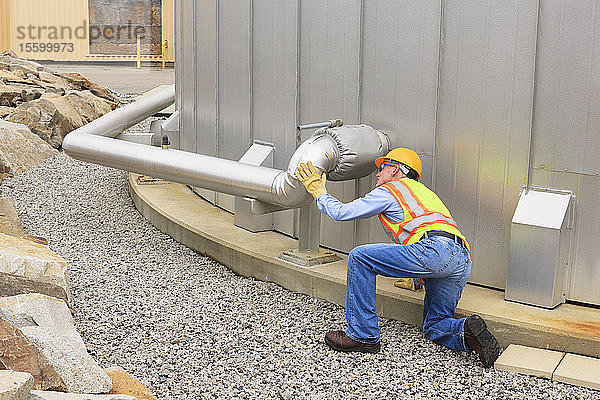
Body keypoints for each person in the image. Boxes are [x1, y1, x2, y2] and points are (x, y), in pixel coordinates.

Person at [295, 148, 500, 368]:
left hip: (434, 252)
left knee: (360, 257)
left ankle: (362, 335)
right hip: (461, 259)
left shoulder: (391, 189)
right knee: (435, 324)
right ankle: (466, 329)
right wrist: (417, 277)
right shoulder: (425, 193)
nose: (378, 173)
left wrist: (318, 191)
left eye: (382, 168)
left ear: (395, 170)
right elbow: (427, 233)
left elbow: (342, 213)